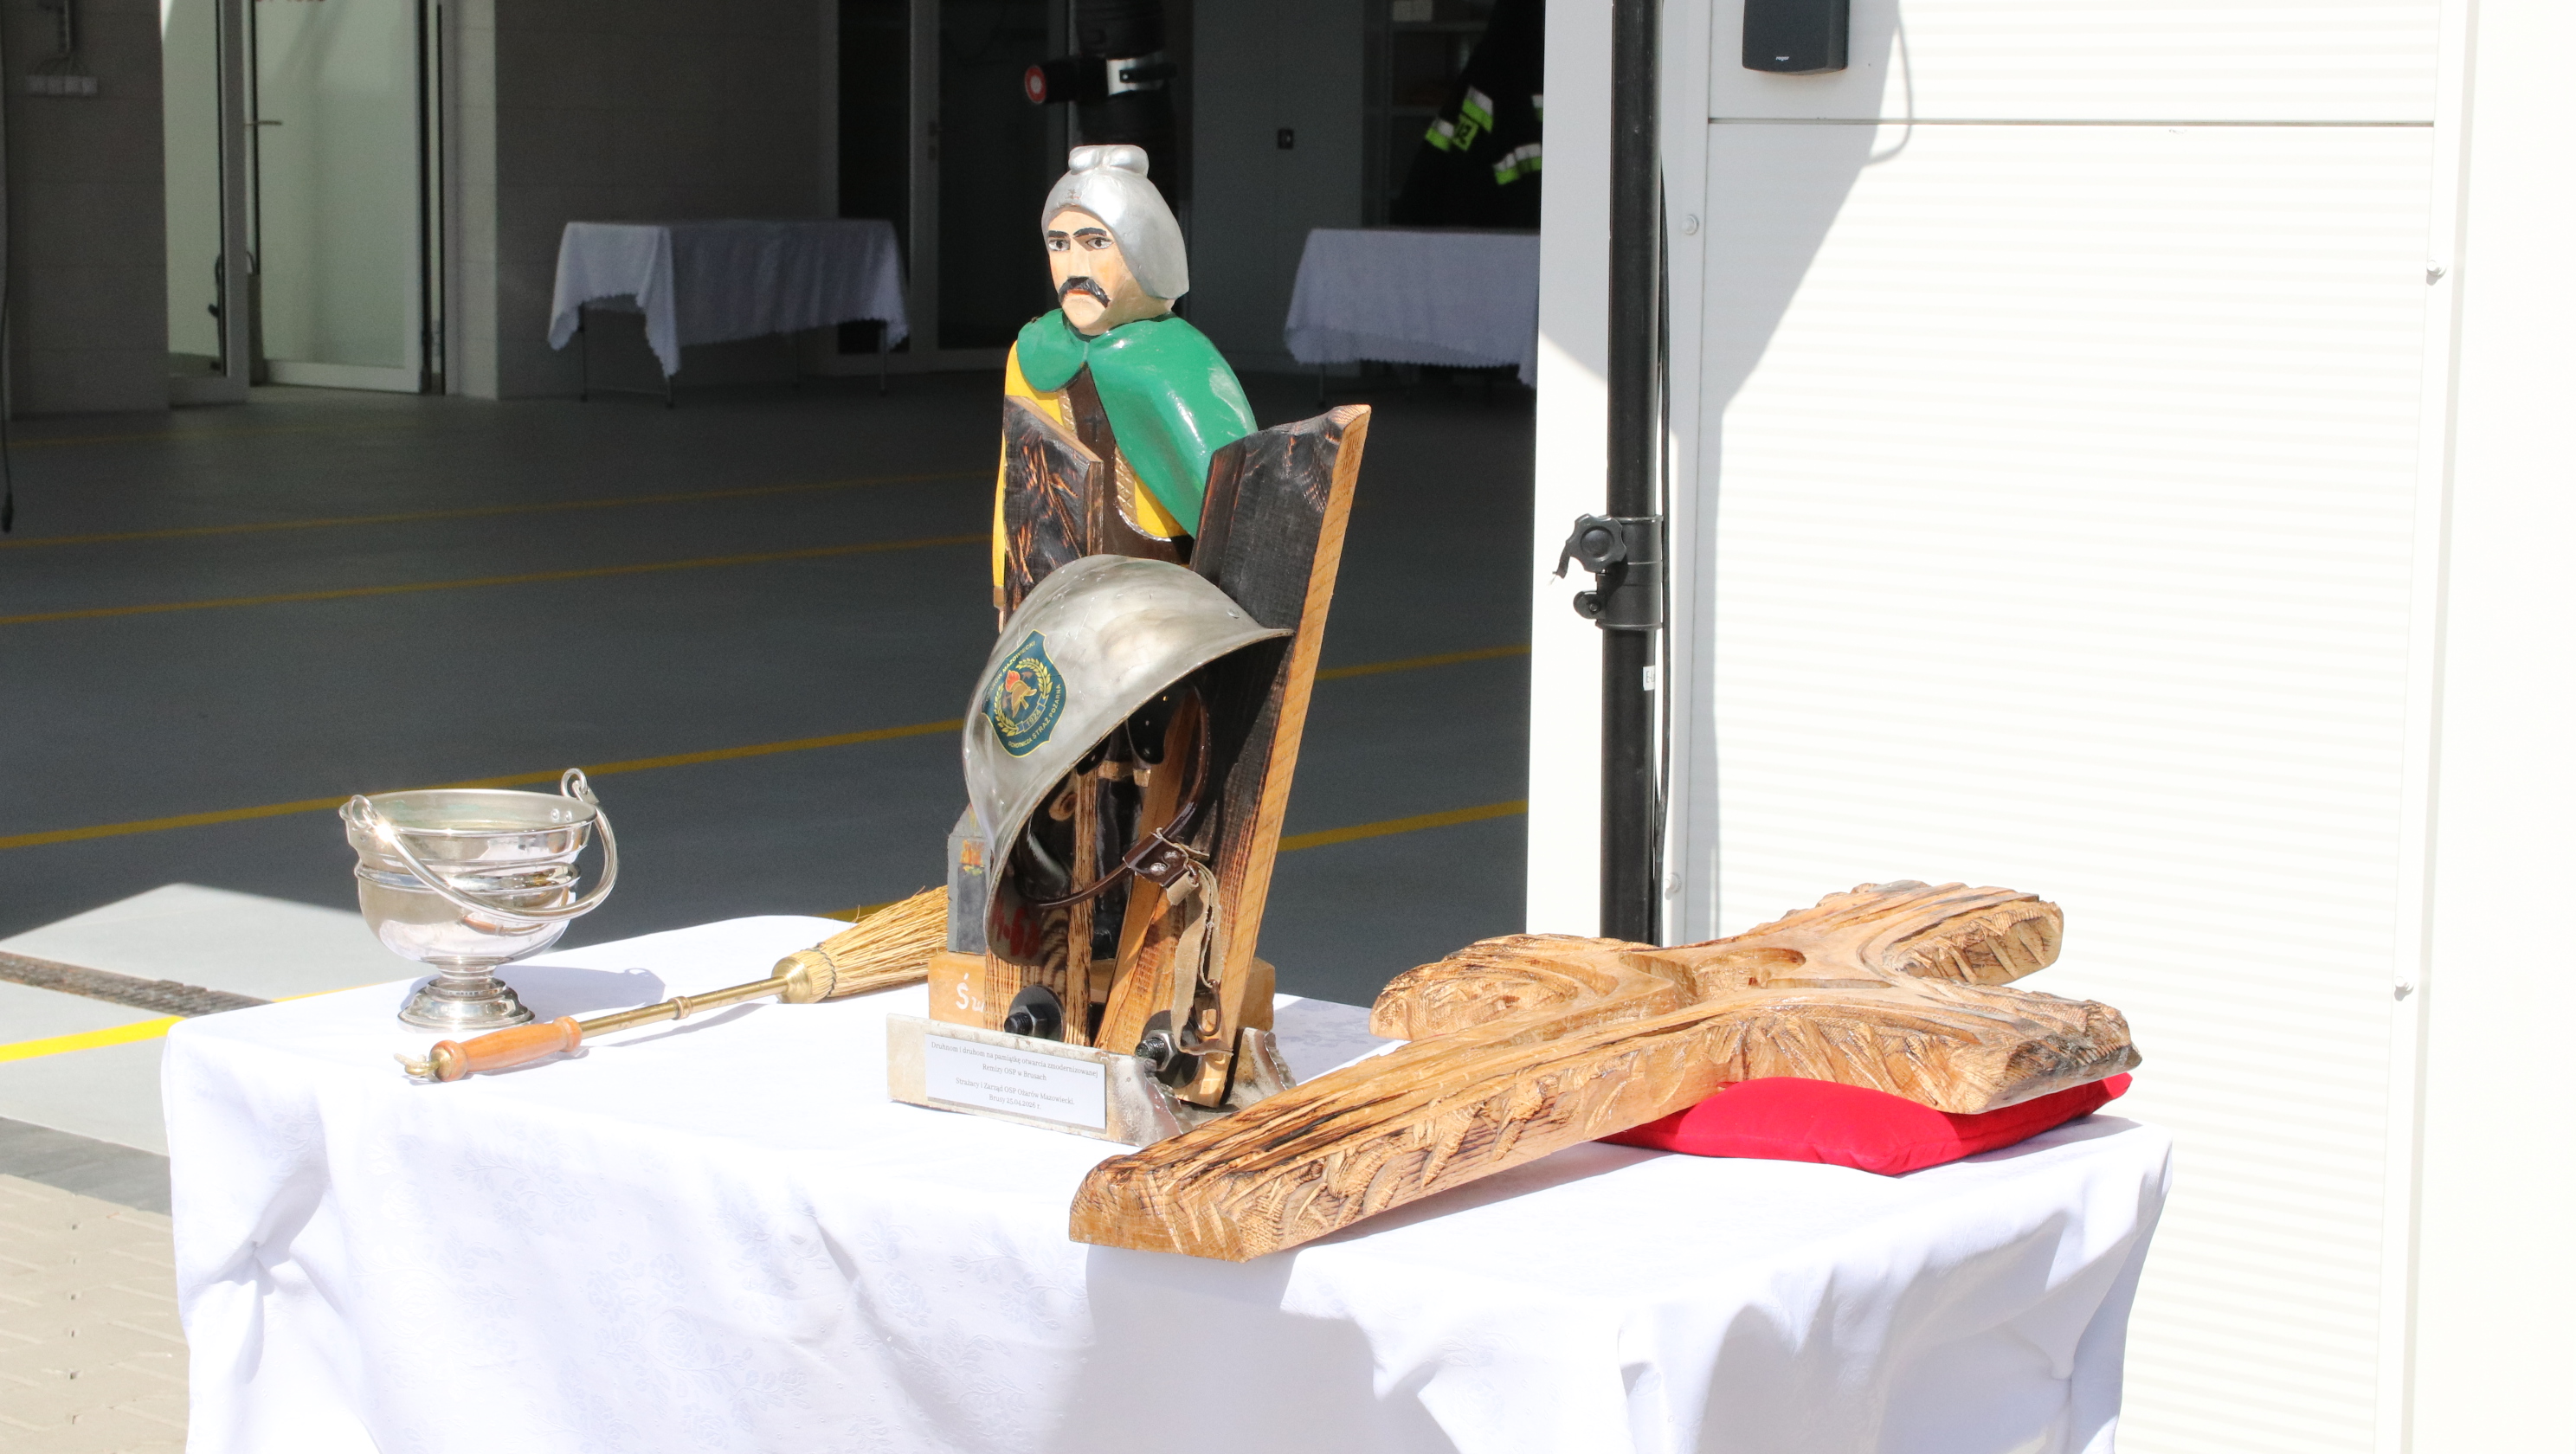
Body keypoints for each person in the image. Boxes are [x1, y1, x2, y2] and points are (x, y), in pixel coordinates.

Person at [993, 145, 1256, 606]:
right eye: (1059, 244)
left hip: (1167, 594)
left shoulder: (1182, 361)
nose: (1075, 267)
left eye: (1096, 243)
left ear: (1146, 250)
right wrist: (1008, 587)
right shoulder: (1033, 352)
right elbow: (1014, 486)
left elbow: (1238, 513)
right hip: (1057, 592)